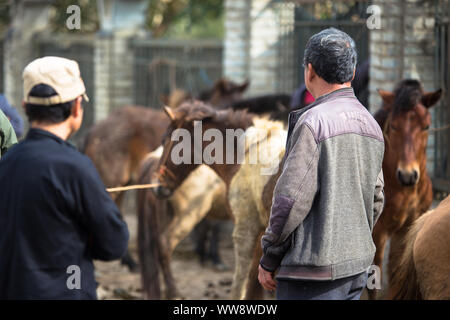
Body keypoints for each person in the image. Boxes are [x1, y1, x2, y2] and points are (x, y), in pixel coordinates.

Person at [258, 28, 385, 300]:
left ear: (310, 71)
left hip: (311, 277)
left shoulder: (313, 123)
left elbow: (290, 201)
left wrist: (269, 257)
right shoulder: (371, 125)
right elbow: (376, 198)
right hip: (356, 271)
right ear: (352, 74)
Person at [0, 56, 129, 299]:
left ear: (25, 107)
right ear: (77, 107)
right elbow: (114, 244)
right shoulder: (76, 168)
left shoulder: (6, 163)